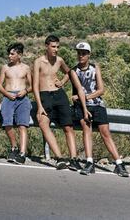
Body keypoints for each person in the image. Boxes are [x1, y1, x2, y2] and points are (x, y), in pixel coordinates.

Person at [72, 42, 129, 177]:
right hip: (82, 106)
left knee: (105, 133)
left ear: (89, 55)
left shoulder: (95, 68)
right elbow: (77, 90)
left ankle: (119, 163)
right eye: (79, 53)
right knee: (87, 130)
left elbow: (101, 90)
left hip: (97, 104)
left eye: (84, 53)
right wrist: (82, 104)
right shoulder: (74, 71)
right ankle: (89, 162)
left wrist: (84, 98)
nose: (81, 56)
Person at [33, 35, 89, 170]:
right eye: (53, 46)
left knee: (68, 127)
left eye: (58, 47)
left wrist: (63, 82)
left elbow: (70, 72)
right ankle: (59, 158)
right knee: (43, 123)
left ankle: (74, 159)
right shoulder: (38, 62)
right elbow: (35, 85)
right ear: (46, 46)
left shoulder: (59, 61)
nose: (56, 49)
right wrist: (39, 105)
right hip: (44, 95)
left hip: (59, 95)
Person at [0, 43, 32, 164]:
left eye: (12, 54)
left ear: (19, 55)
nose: (9, 56)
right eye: (9, 53)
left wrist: (25, 91)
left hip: (23, 98)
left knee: (23, 125)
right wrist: (7, 94)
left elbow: (32, 86)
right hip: (8, 97)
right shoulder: (5, 67)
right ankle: (14, 147)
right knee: (7, 124)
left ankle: (22, 154)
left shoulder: (26, 68)